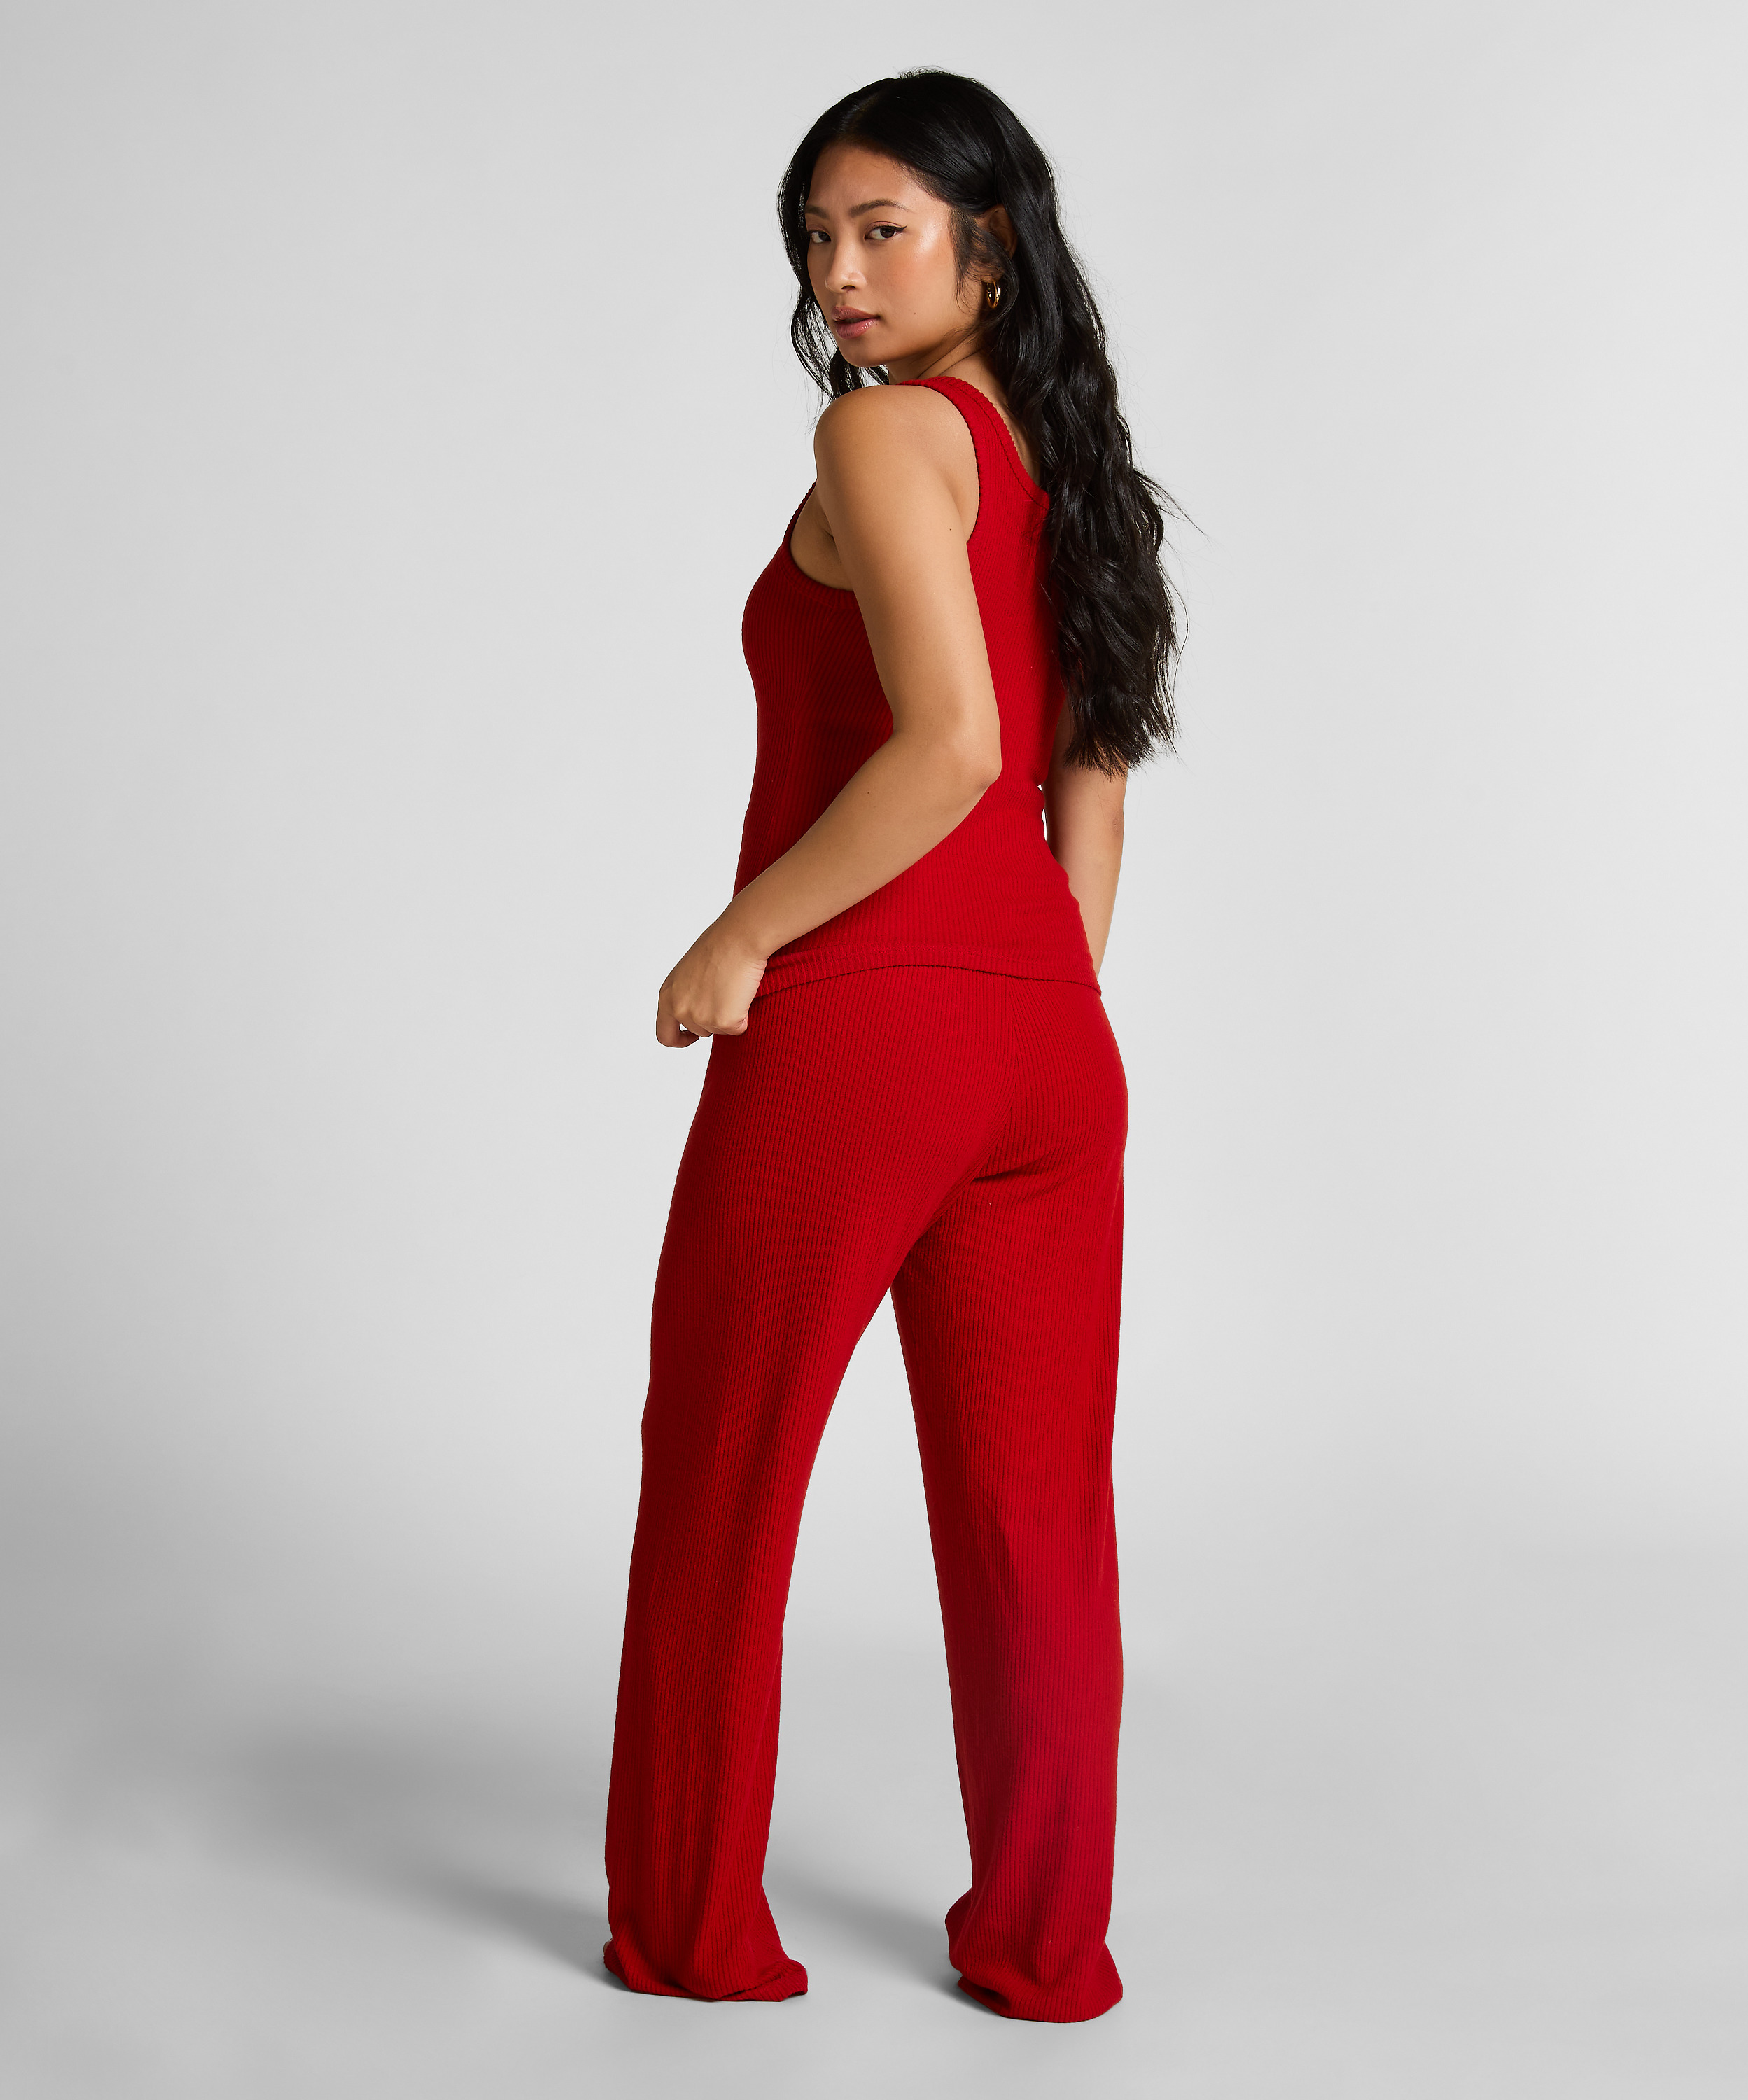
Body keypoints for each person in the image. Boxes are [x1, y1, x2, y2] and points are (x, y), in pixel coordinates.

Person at [602, 69, 1181, 2024]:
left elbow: (949, 746)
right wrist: (1033, 1001)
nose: (837, 275)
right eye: (816, 238)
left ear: (985, 247)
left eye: (881, 231)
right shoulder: (1074, 472)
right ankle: (1045, 1948)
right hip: (1048, 1044)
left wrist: (743, 932)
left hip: (858, 1022)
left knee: (724, 1463)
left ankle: (691, 1928)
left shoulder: (880, 436)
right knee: (1039, 1530)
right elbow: (1088, 789)